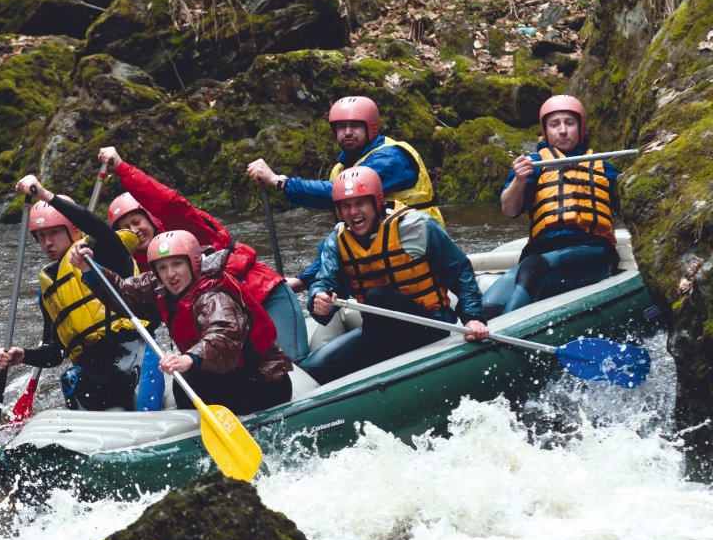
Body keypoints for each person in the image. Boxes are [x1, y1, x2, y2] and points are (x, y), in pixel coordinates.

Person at [100, 146, 309, 362]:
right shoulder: (142, 269)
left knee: (292, 365)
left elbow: (165, 200)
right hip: (222, 325)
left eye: (137, 222)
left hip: (263, 296)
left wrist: (122, 168)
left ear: (151, 218)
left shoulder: (184, 226)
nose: (134, 231)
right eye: (126, 228)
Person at [69, 230, 294, 416]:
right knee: (186, 382)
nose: (170, 274)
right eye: (162, 267)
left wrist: (189, 358)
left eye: (177, 264)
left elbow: (223, 335)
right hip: (226, 375)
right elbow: (123, 292)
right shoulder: (160, 286)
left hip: (263, 381)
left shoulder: (214, 296)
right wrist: (90, 270)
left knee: (188, 380)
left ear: (193, 263)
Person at [303, 166, 488, 384]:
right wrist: (318, 300)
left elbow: (460, 271)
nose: (353, 212)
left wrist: (472, 317)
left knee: (378, 296)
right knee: (316, 368)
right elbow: (325, 282)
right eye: (346, 206)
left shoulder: (417, 226)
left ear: (376, 202)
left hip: (431, 325)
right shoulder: (336, 242)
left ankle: (370, 377)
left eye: (360, 203)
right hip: (381, 329)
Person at [0, 175, 157, 411]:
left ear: (74, 230)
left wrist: (45, 195)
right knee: (71, 380)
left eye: (54, 233)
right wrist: (23, 356)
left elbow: (100, 229)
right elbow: (56, 352)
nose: (47, 243)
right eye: (41, 236)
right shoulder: (49, 287)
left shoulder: (102, 252)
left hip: (134, 351)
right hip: (94, 367)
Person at [480, 94, 621, 318]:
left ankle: (504, 333)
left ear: (581, 128)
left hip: (593, 252)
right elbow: (509, 209)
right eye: (555, 124)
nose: (562, 130)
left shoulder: (604, 168)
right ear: (545, 131)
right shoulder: (533, 165)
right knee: (488, 304)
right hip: (542, 253)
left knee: (533, 270)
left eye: (569, 123)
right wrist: (518, 180)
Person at [246, 94, 446, 228]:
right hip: (376, 248)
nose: (347, 132)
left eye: (355, 126)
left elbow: (337, 193)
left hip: (417, 242)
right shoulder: (340, 169)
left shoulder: (391, 157)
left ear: (371, 128)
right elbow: (340, 232)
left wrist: (280, 182)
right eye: (341, 127)